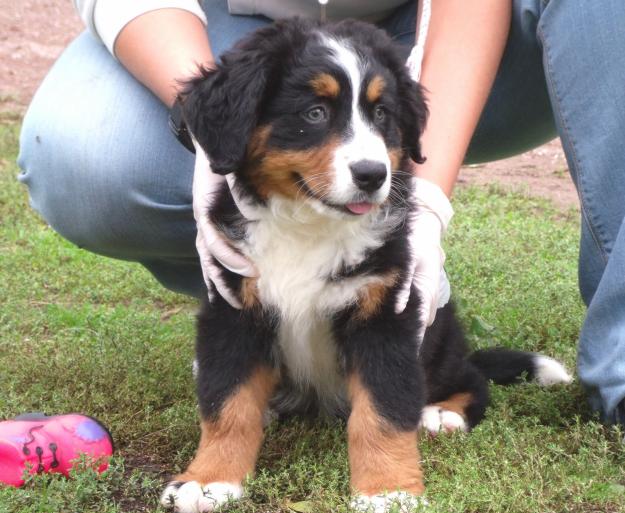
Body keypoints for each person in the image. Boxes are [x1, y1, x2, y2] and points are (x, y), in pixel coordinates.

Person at [17, 0, 625, 426]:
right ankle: (277, 323)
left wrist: (427, 205)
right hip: (235, 32)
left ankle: (619, 369)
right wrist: (209, 134)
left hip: (454, 34)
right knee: (85, 150)